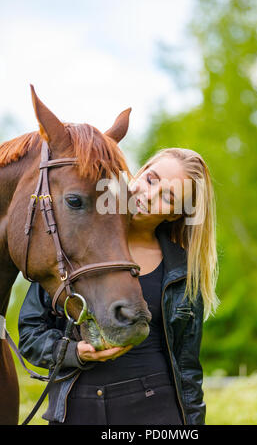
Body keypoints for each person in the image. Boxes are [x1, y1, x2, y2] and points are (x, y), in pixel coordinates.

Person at [18, 147, 219, 425]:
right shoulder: (75, 241)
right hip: (79, 409)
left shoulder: (182, 272)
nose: (148, 196)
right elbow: (30, 334)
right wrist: (76, 352)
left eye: (167, 197)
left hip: (156, 411)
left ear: (175, 214)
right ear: (139, 173)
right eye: (151, 180)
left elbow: (187, 370)